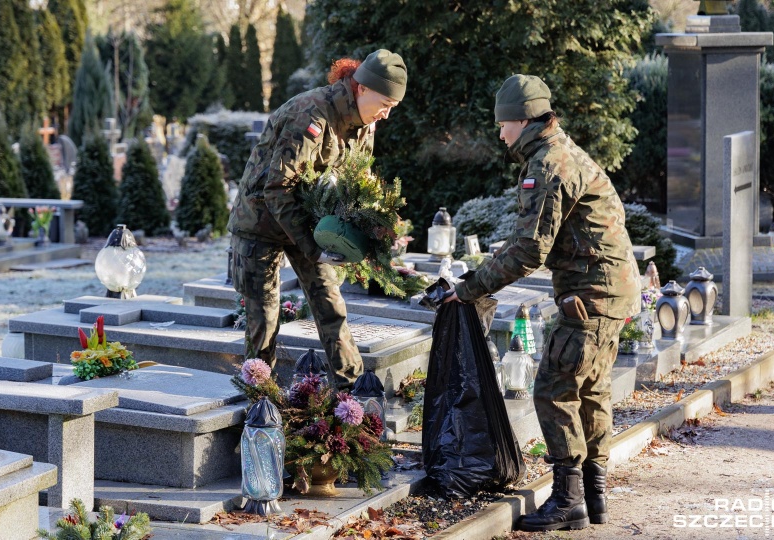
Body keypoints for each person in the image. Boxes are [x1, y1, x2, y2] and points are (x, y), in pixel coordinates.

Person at [446, 74, 640, 531]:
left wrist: (469, 287)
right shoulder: (564, 151)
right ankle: (594, 500)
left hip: (591, 294)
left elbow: (529, 249)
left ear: (522, 119)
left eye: (502, 124)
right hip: (612, 289)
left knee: (553, 388)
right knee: (589, 391)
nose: (499, 133)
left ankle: (569, 500)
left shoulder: (548, 164)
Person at [227, 49, 408, 390]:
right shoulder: (310, 113)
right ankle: (259, 399)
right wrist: (312, 247)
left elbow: (354, 185)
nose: (385, 115)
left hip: (311, 221)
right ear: (361, 88)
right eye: (384, 103)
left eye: (392, 108)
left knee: (330, 302)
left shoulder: (365, 124)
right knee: (263, 317)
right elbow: (278, 189)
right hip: (261, 221)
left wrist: (364, 232)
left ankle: (352, 394)